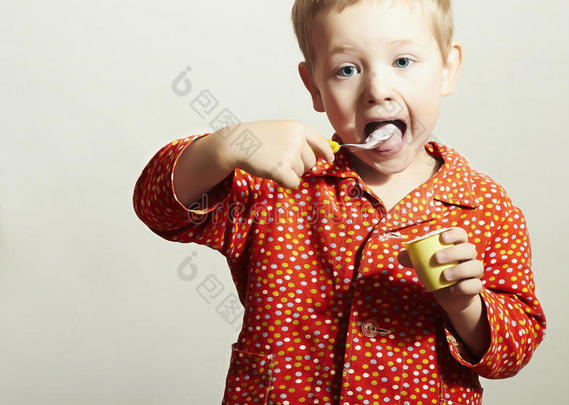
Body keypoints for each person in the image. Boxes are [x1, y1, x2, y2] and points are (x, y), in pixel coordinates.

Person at [132, 0, 547, 403]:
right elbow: (160, 209)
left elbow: (516, 348)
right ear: (314, 87)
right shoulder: (279, 184)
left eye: (403, 62)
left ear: (447, 69)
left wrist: (465, 306)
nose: (377, 91)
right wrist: (222, 147)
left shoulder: (485, 205)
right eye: (346, 70)